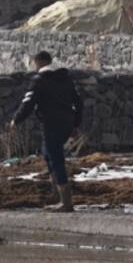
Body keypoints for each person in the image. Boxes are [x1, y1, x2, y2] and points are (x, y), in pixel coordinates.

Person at [6, 51, 83, 212]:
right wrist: (76, 124)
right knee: (47, 153)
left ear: (39, 62)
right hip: (67, 121)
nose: (34, 67)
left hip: (51, 123)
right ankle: (56, 193)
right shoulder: (66, 78)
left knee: (55, 158)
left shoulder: (40, 80)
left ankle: (66, 201)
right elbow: (78, 102)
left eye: (34, 64)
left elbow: (28, 102)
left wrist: (16, 120)